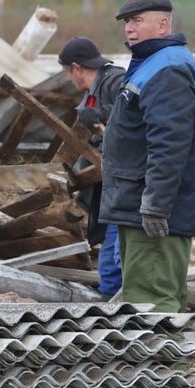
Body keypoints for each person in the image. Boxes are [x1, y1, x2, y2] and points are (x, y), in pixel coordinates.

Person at [98, 0, 195, 313]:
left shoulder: (168, 69)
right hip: (138, 203)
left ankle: (164, 348)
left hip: (152, 212)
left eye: (137, 20)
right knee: (149, 298)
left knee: (152, 304)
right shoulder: (152, 64)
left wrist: (155, 205)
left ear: (163, 25)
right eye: (126, 22)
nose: (129, 29)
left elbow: (169, 143)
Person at [58, 36, 125, 299]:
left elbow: (133, 111)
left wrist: (103, 114)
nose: (69, 79)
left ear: (77, 68)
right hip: (108, 182)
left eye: (68, 72)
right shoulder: (92, 92)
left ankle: (117, 295)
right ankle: (109, 293)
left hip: (124, 180)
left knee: (118, 240)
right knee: (110, 235)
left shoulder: (116, 81)